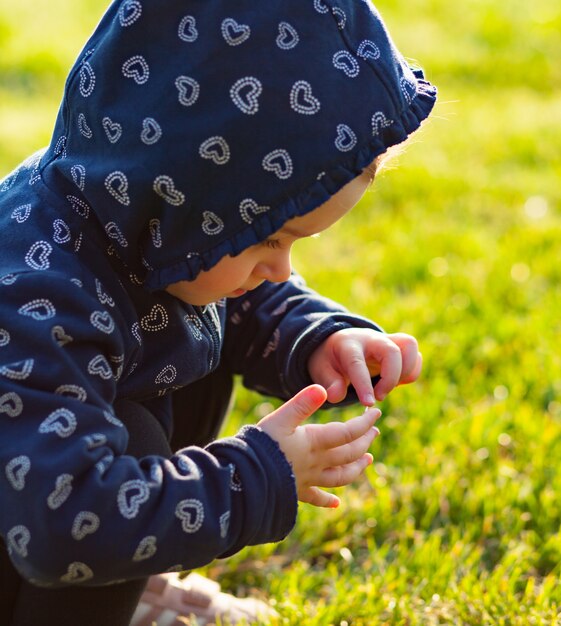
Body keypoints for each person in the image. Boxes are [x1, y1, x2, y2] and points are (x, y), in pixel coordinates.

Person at [0, 0, 436, 623]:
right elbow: (62, 522)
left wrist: (313, 337)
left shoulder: (137, 216)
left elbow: (243, 301)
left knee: (195, 328)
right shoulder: (35, 299)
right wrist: (256, 477)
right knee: (137, 436)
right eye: (269, 239)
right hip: (47, 521)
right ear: (185, 187)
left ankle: (128, 586)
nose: (282, 268)